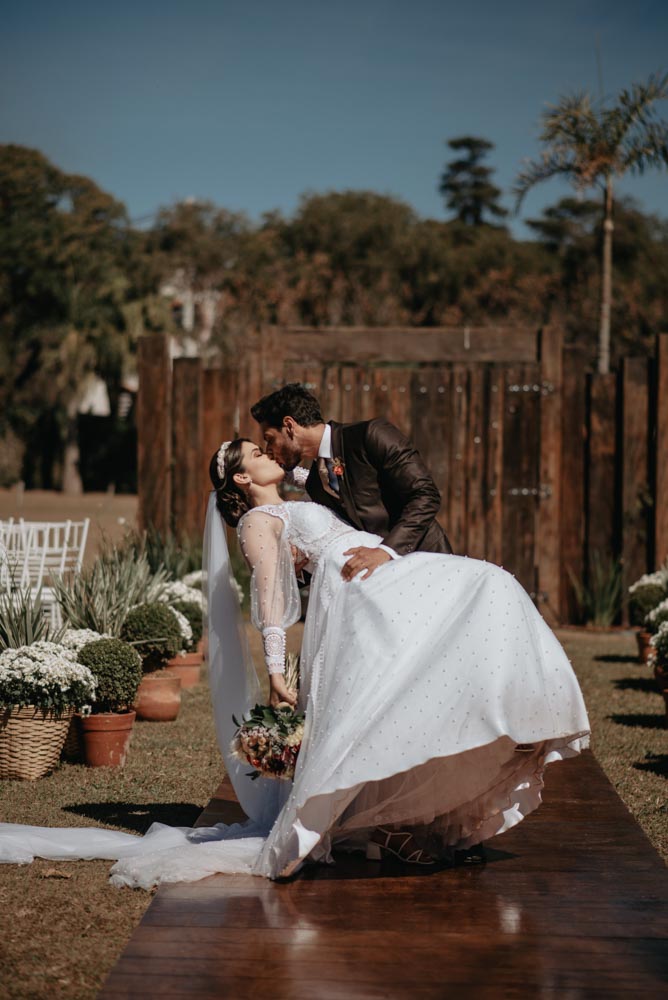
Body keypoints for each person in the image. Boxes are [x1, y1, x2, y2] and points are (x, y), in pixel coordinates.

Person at [0, 439, 590, 886]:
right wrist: (278, 670)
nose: (269, 453)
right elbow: (270, 597)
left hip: (376, 575)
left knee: (452, 637)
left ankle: (441, 785)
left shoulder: (295, 501)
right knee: (483, 587)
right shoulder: (259, 522)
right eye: (257, 453)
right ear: (241, 477)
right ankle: (390, 822)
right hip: (357, 597)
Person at [250, 383, 452, 585]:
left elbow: (426, 495)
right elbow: (336, 543)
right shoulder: (315, 484)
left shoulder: (370, 435)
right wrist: (300, 570)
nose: (269, 450)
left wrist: (386, 550)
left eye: (270, 439)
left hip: (428, 563)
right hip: (382, 584)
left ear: (289, 425)